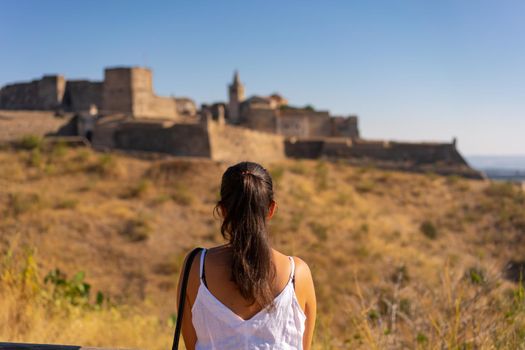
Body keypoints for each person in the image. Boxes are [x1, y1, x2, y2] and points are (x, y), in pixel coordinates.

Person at [176, 161, 316, 349]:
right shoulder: (298, 274)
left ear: (223, 210)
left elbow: (192, 346)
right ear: (271, 209)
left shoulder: (195, 267)